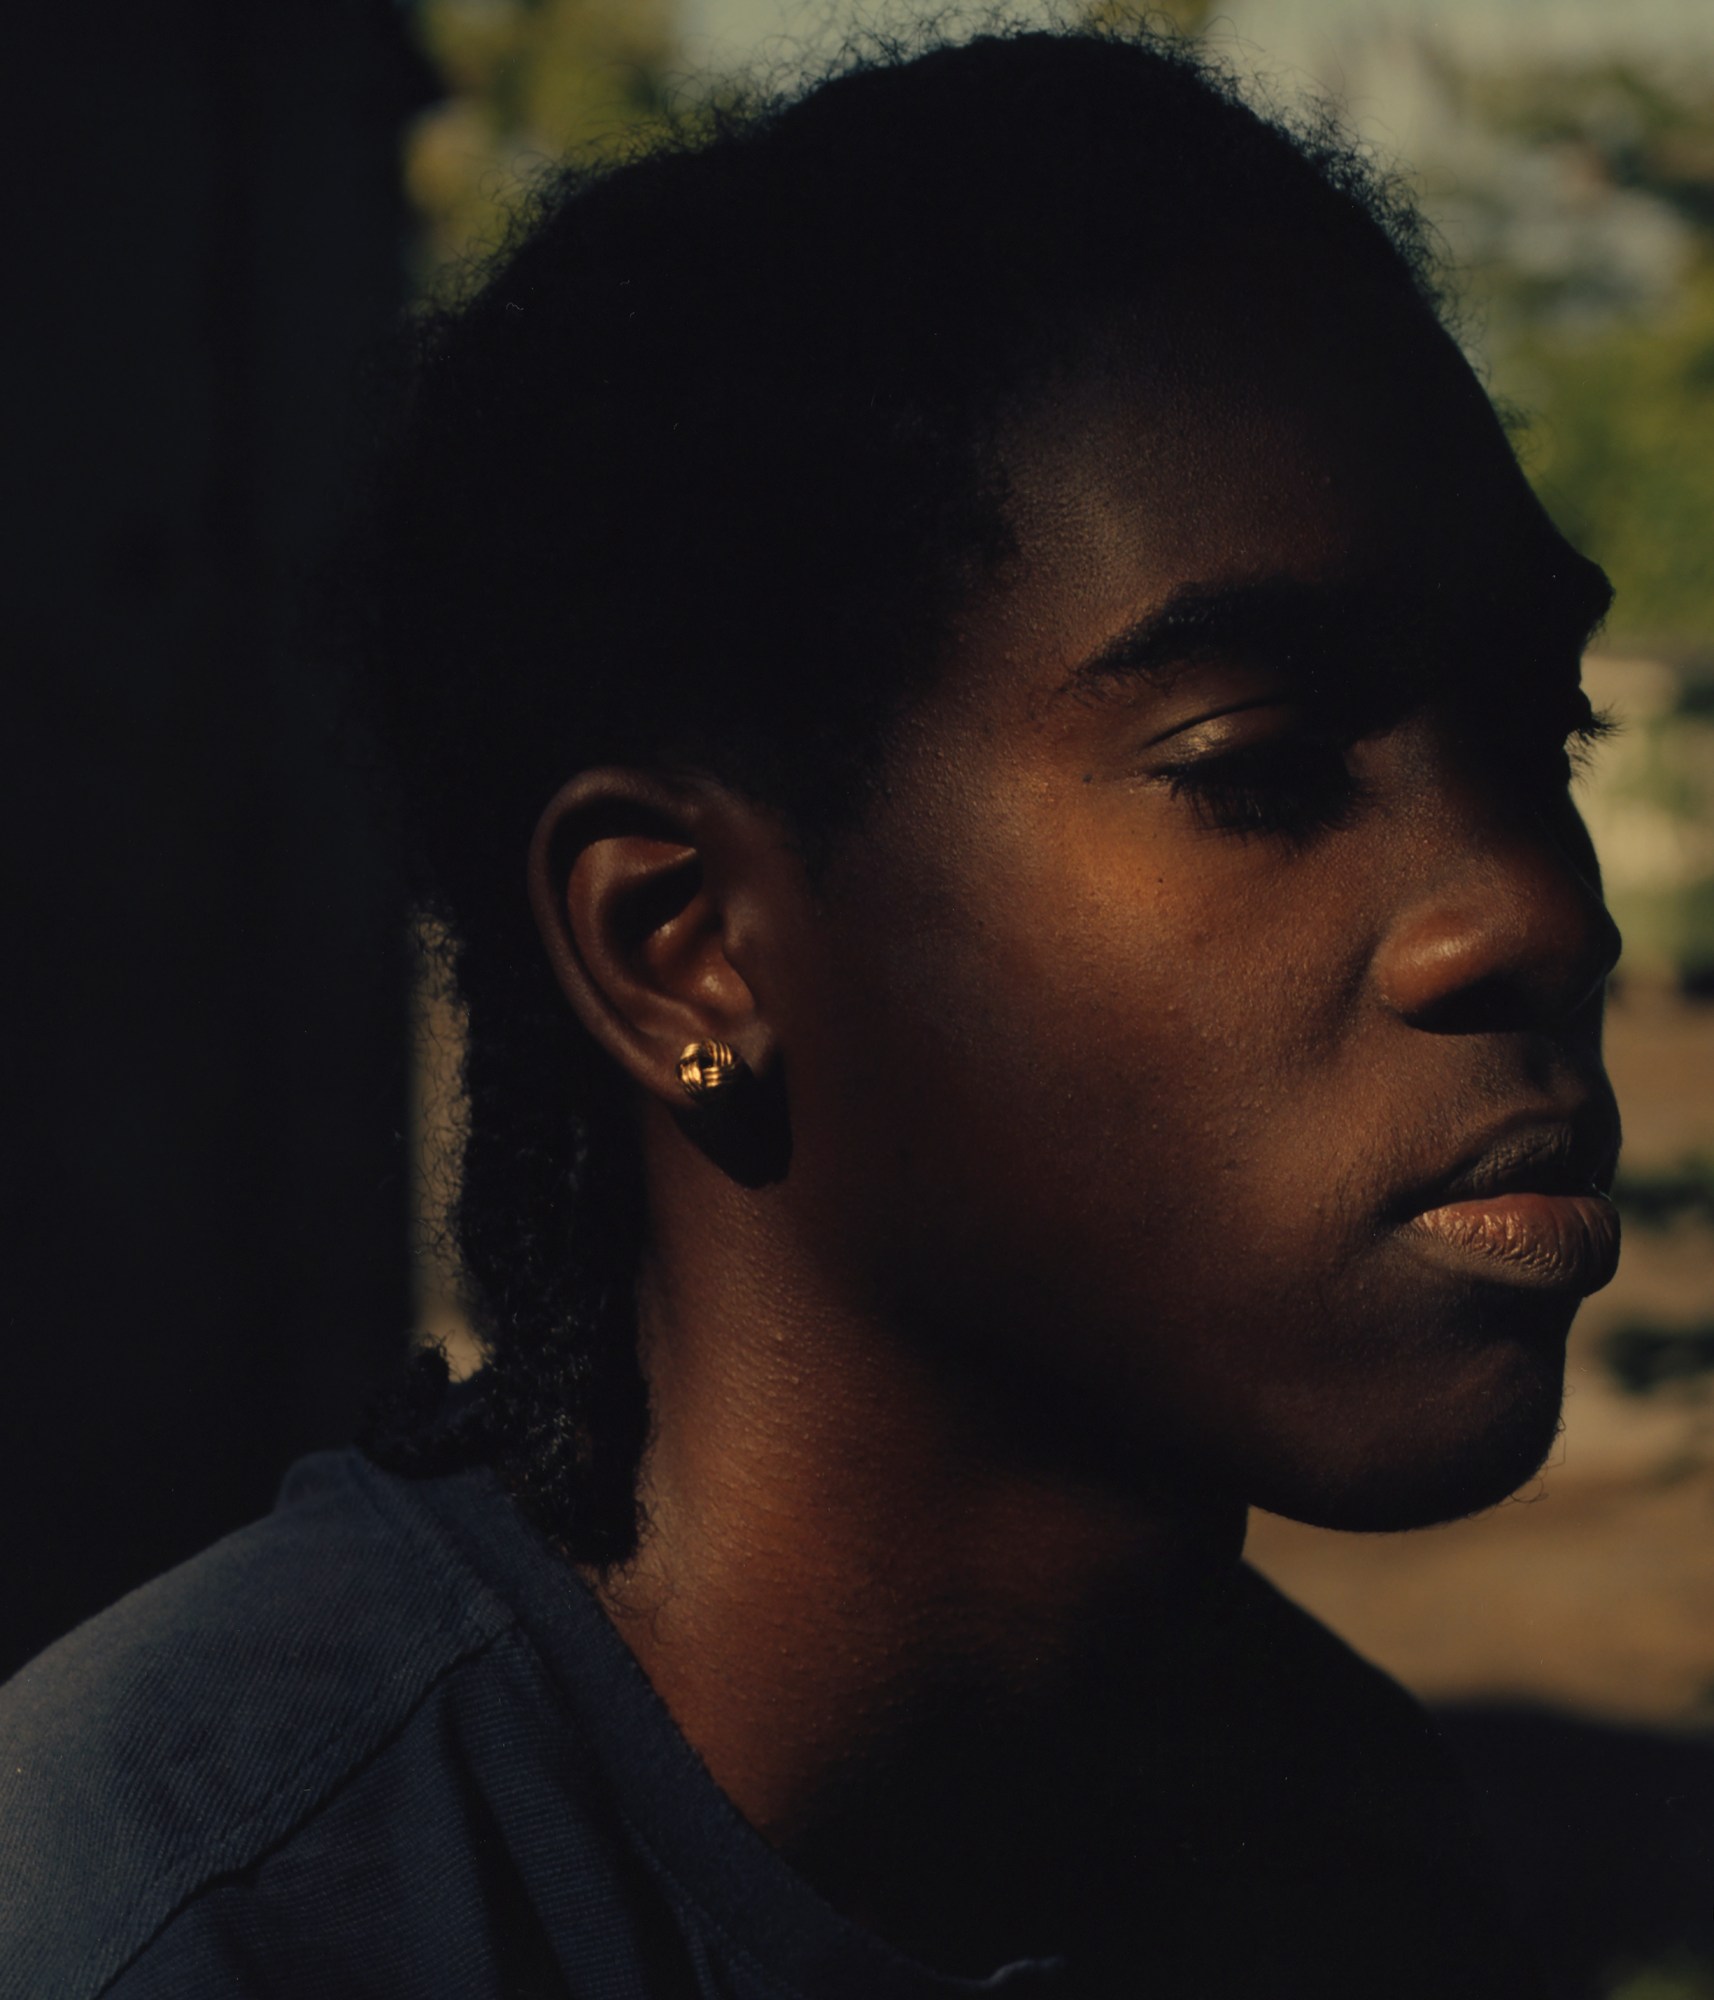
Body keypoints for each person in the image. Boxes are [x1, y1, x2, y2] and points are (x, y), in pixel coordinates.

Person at [0, 21, 1623, 1998]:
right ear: (684, 945)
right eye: (1256, 762)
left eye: (1541, 733)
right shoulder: (183, 1922)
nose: (1536, 909)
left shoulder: (1333, 1849)